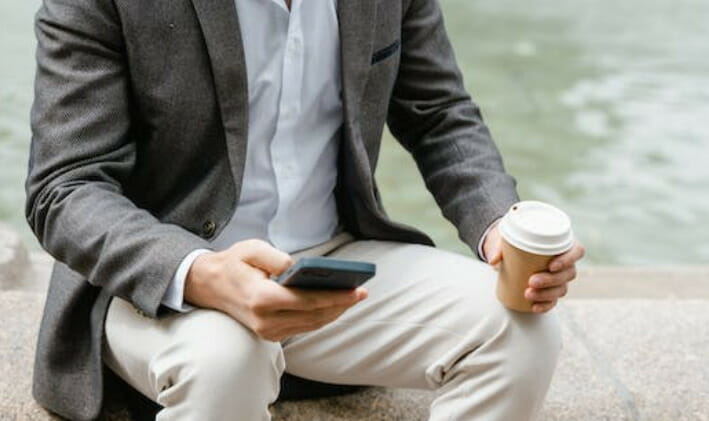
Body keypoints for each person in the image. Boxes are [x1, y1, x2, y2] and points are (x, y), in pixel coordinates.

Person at [26, 0, 585, 419]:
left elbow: (438, 112)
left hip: (333, 262)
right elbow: (65, 186)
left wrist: (499, 225)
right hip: (160, 277)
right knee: (226, 360)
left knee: (520, 330)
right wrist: (200, 273)